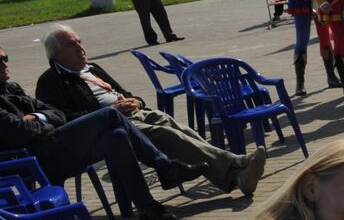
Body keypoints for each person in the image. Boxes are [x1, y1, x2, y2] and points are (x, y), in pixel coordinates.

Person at [35, 25, 266, 198]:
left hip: (131, 114)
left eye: (79, 41)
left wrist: (136, 101)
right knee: (167, 135)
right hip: (110, 127)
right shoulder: (51, 82)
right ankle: (236, 167)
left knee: (172, 123)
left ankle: (235, 172)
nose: (80, 48)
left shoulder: (91, 68)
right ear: (56, 54)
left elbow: (124, 92)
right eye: (71, 45)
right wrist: (110, 110)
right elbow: (62, 120)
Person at [0, 44, 198, 220]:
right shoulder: (41, 83)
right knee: (110, 114)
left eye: (5, 58)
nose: (4, 64)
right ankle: (165, 167)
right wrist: (43, 121)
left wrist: (36, 117)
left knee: (117, 136)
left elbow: (56, 114)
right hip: (34, 161)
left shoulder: (11, 88)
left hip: (55, 148)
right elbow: (20, 131)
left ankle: (148, 208)